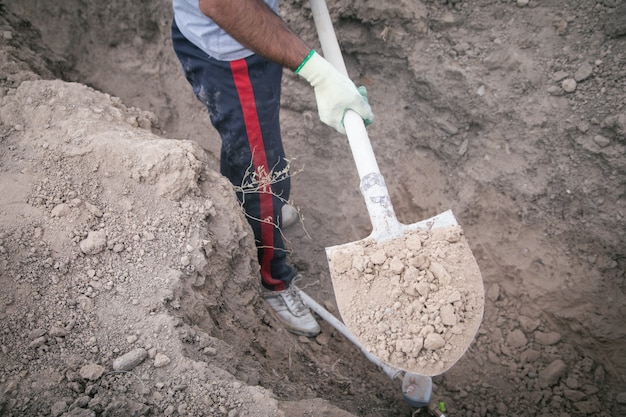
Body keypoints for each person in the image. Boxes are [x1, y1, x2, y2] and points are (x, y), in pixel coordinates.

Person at [171, 0, 374, 337]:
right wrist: (319, 73)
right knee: (265, 177)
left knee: (256, 151)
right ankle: (272, 281)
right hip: (230, 52)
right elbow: (222, 4)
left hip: (242, 36)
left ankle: (255, 220)